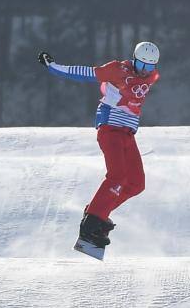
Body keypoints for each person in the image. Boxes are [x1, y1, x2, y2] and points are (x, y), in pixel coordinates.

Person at [37, 42, 160, 253]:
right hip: (110, 128)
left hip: (128, 134)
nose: (144, 71)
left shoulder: (149, 77)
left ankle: (96, 215)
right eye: (141, 65)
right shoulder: (118, 70)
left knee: (136, 183)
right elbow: (86, 73)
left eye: (149, 67)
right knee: (117, 176)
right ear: (134, 59)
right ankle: (91, 225)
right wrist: (54, 67)